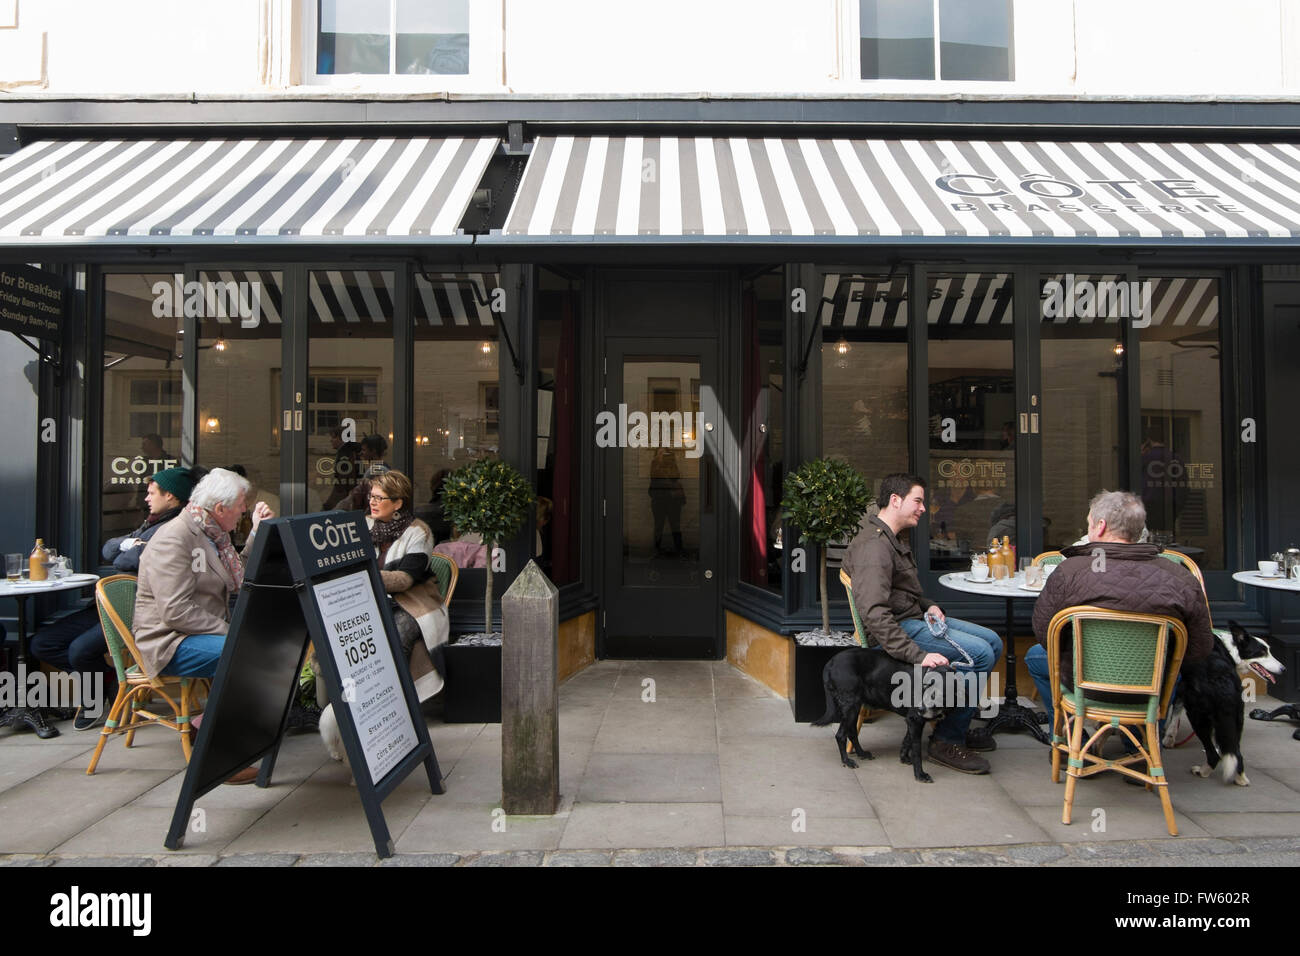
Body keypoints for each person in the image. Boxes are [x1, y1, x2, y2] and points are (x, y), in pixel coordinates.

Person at [841, 473, 1003, 775]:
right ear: (895, 500)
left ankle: (955, 719)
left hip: (914, 619)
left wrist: (929, 605)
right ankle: (946, 740)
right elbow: (875, 614)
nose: (923, 508)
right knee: (980, 654)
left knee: (993, 641)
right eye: (918, 501)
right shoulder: (874, 548)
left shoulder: (890, 538)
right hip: (897, 633)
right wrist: (918, 655)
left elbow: (901, 593)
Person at [1025, 490, 1213, 734]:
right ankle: (1139, 752)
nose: (1089, 528)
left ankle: (1073, 742)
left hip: (1085, 685)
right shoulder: (1179, 576)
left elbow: (1045, 634)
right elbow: (1200, 647)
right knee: (1171, 668)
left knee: (1035, 657)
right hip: (1152, 687)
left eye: (1089, 523)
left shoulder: (1070, 572)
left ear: (1100, 526)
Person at [30, 466, 197, 731]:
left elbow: (125, 558)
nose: (145, 498)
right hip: (104, 607)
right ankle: (104, 679)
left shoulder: (173, 528)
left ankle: (94, 696)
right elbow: (109, 550)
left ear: (172, 497)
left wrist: (127, 549)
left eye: (152, 492)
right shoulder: (150, 523)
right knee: (42, 644)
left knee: (80, 650)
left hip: (137, 612)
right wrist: (127, 547)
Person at [364, 469, 448, 701]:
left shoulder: (419, 531)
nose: (372, 502)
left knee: (396, 636)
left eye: (379, 498)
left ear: (398, 502)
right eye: (371, 496)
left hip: (415, 602)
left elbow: (406, 579)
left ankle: (394, 702)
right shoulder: (363, 526)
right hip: (371, 598)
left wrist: (365, 576)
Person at [648, 447, 685, 555]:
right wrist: (658, 462)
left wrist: (671, 462)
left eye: (665, 453)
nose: (663, 455)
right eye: (660, 453)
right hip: (659, 499)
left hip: (672, 500)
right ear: (656, 454)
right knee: (659, 525)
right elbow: (654, 478)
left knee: (675, 525)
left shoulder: (671, 463)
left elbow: (676, 476)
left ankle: (679, 549)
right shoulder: (655, 464)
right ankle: (656, 549)